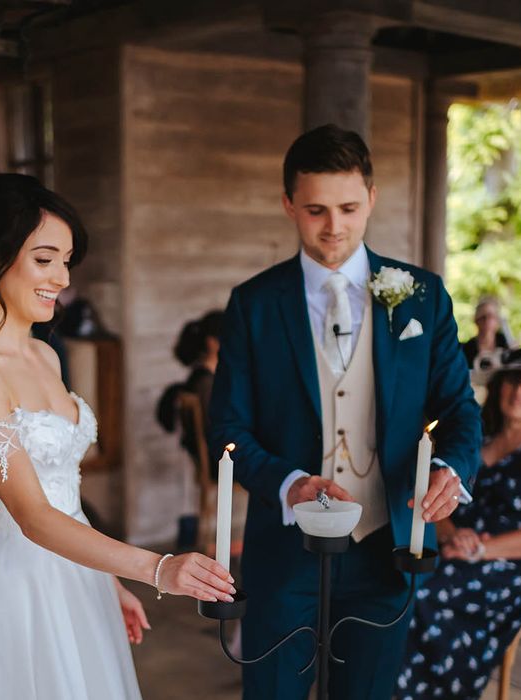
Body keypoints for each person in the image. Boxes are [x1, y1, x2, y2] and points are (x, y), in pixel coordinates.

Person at [0, 174, 234, 700]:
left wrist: (105, 579)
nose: (62, 278)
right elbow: (32, 514)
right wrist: (157, 568)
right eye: (45, 259)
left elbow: (60, 492)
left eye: (66, 261)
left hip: (75, 577)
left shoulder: (44, 354)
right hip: (8, 589)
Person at [209, 124, 483, 700]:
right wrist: (288, 483)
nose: (334, 226)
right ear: (288, 205)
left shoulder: (422, 296)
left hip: (388, 548)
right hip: (285, 556)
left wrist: (450, 471)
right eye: (315, 209)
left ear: (372, 199)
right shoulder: (253, 304)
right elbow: (228, 430)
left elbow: (458, 408)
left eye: (349, 207)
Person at [397, 348, 521, 699]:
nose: (518, 392)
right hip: (455, 545)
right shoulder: (474, 443)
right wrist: (454, 538)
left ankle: (441, 692)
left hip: (518, 558)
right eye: (511, 381)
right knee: (399, 586)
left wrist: (482, 550)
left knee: (431, 595)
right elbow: (440, 502)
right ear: (497, 388)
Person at [157, 310, 224, 462]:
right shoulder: (205, 383)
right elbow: (216, 430)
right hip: (221, 462)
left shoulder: (202, 379)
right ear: (212, 343)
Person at [461, 296, 511, 370]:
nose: (487, 321)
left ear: (497, 321)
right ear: (476, 320)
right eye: (483, 317)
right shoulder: (467, 348)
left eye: (491, 316)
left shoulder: (507, 346)